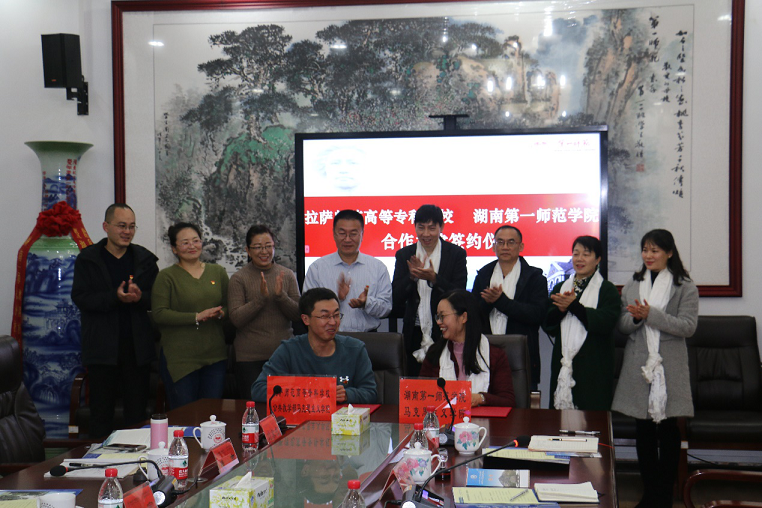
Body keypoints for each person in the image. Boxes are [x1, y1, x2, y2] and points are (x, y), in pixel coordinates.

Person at [612, 229, 698, 508]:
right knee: (644, 430)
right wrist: (637, 319)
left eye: (655, 250)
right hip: (639, 365)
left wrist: (652, 315)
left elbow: (688, 327)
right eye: (645, 250)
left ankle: (663, 496)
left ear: (669, 253)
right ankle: (650, 495)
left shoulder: (685, 286)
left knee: (669, 429)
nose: (648, 256)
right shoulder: (633, 284)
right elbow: (622, 325)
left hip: (668, 366)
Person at [72, 203, 158, 438]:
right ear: (106, 226)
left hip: (136, 350)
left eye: (131, 226)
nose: (127, 232)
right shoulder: (88, 259)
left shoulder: (145, 260)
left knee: (136, 415)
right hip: (102, 350)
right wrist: (114, 297)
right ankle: (99, 458)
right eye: (121, 226)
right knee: (101, 414)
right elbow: (81, 298)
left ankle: (137, 458)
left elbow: (157, 299)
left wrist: (140, 298)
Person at [251, 288, 378, 404]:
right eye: (325, 316)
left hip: (342, 420)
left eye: (336, 315)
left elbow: (371, 393)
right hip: (301, 419)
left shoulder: (355, 349)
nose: (333, 322)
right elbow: (259, 389)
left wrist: (347, 395)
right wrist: (305, 392)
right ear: (306, 319)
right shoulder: (289, 350)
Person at [151, 222, 229, 409]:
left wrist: (221, 314)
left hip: (214, 356)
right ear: (174, 248)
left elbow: (229, 305)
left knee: (212, 415)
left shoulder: (217, 272)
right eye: (185, 243)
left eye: (196, 241)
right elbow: (159, 314)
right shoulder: (166, 277)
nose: (192, 246)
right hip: (180, 359)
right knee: (184, 416)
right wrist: (196, 317)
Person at [543, 236, 620, 410]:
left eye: (586, 254)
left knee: (591, 419)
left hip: (594, 365)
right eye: (576, 254)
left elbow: (606, 322)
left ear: (598, 259)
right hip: (563, 361)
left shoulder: (607, 289)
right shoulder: (560, 288)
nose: (579, 259)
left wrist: (574, 306)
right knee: (560, 420)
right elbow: (548, 324)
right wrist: (560, 310)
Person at [392, 204, 467, 376]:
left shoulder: (455, 254)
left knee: (447, 379)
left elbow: (460, 293)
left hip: (447, 330)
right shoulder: (404, 254)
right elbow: (396, 296)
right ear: (415, 227)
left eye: (432, 228)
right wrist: (411, 277)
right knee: (414, 382)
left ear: (441, 227)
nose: (426, 234)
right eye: (421, 227)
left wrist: (435, 279)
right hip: (414, 333)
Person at [228, 225, 300, 399]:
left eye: (269, 246)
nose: (264, 251)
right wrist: (260, 299)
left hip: (284, 355)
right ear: (248, 250)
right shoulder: (238, 278)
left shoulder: (287, 274)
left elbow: (298, 315)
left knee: (285, 405)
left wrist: (281, 296)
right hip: (249, 358)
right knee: (254, 406)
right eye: (258, 247)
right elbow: (236, 318)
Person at [471, 226, 547, 390]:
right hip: (486, 351)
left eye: (511, 242)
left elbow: (537, 314)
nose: (505, 247)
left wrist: (500, 301)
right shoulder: (483, 275)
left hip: (521, 354)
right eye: (500, 242)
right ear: (494, 246)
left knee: (521, 403)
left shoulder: (535, 278)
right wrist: (488, 302)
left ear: (521, 246)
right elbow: (473, 315)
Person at [420, 289, 515, 407]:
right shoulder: (435, 353)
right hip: (444, 418)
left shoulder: (494, 355)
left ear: (463, 317)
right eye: (437, 317)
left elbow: (508, 401)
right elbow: (421, 395)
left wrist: (480, 398)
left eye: (443, 316)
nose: (439, 322)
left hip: (482, 419)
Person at [303, 210, 392, 332]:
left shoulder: (378, 268)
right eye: (342, 233)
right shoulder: (317, 268)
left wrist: (366, 303)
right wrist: (336, 299)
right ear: (334, 234)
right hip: (328, 336)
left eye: (353, 234)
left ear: (362, 234)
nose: (347, 239)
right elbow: (307, 307)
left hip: (368, 337)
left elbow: (386, 308)